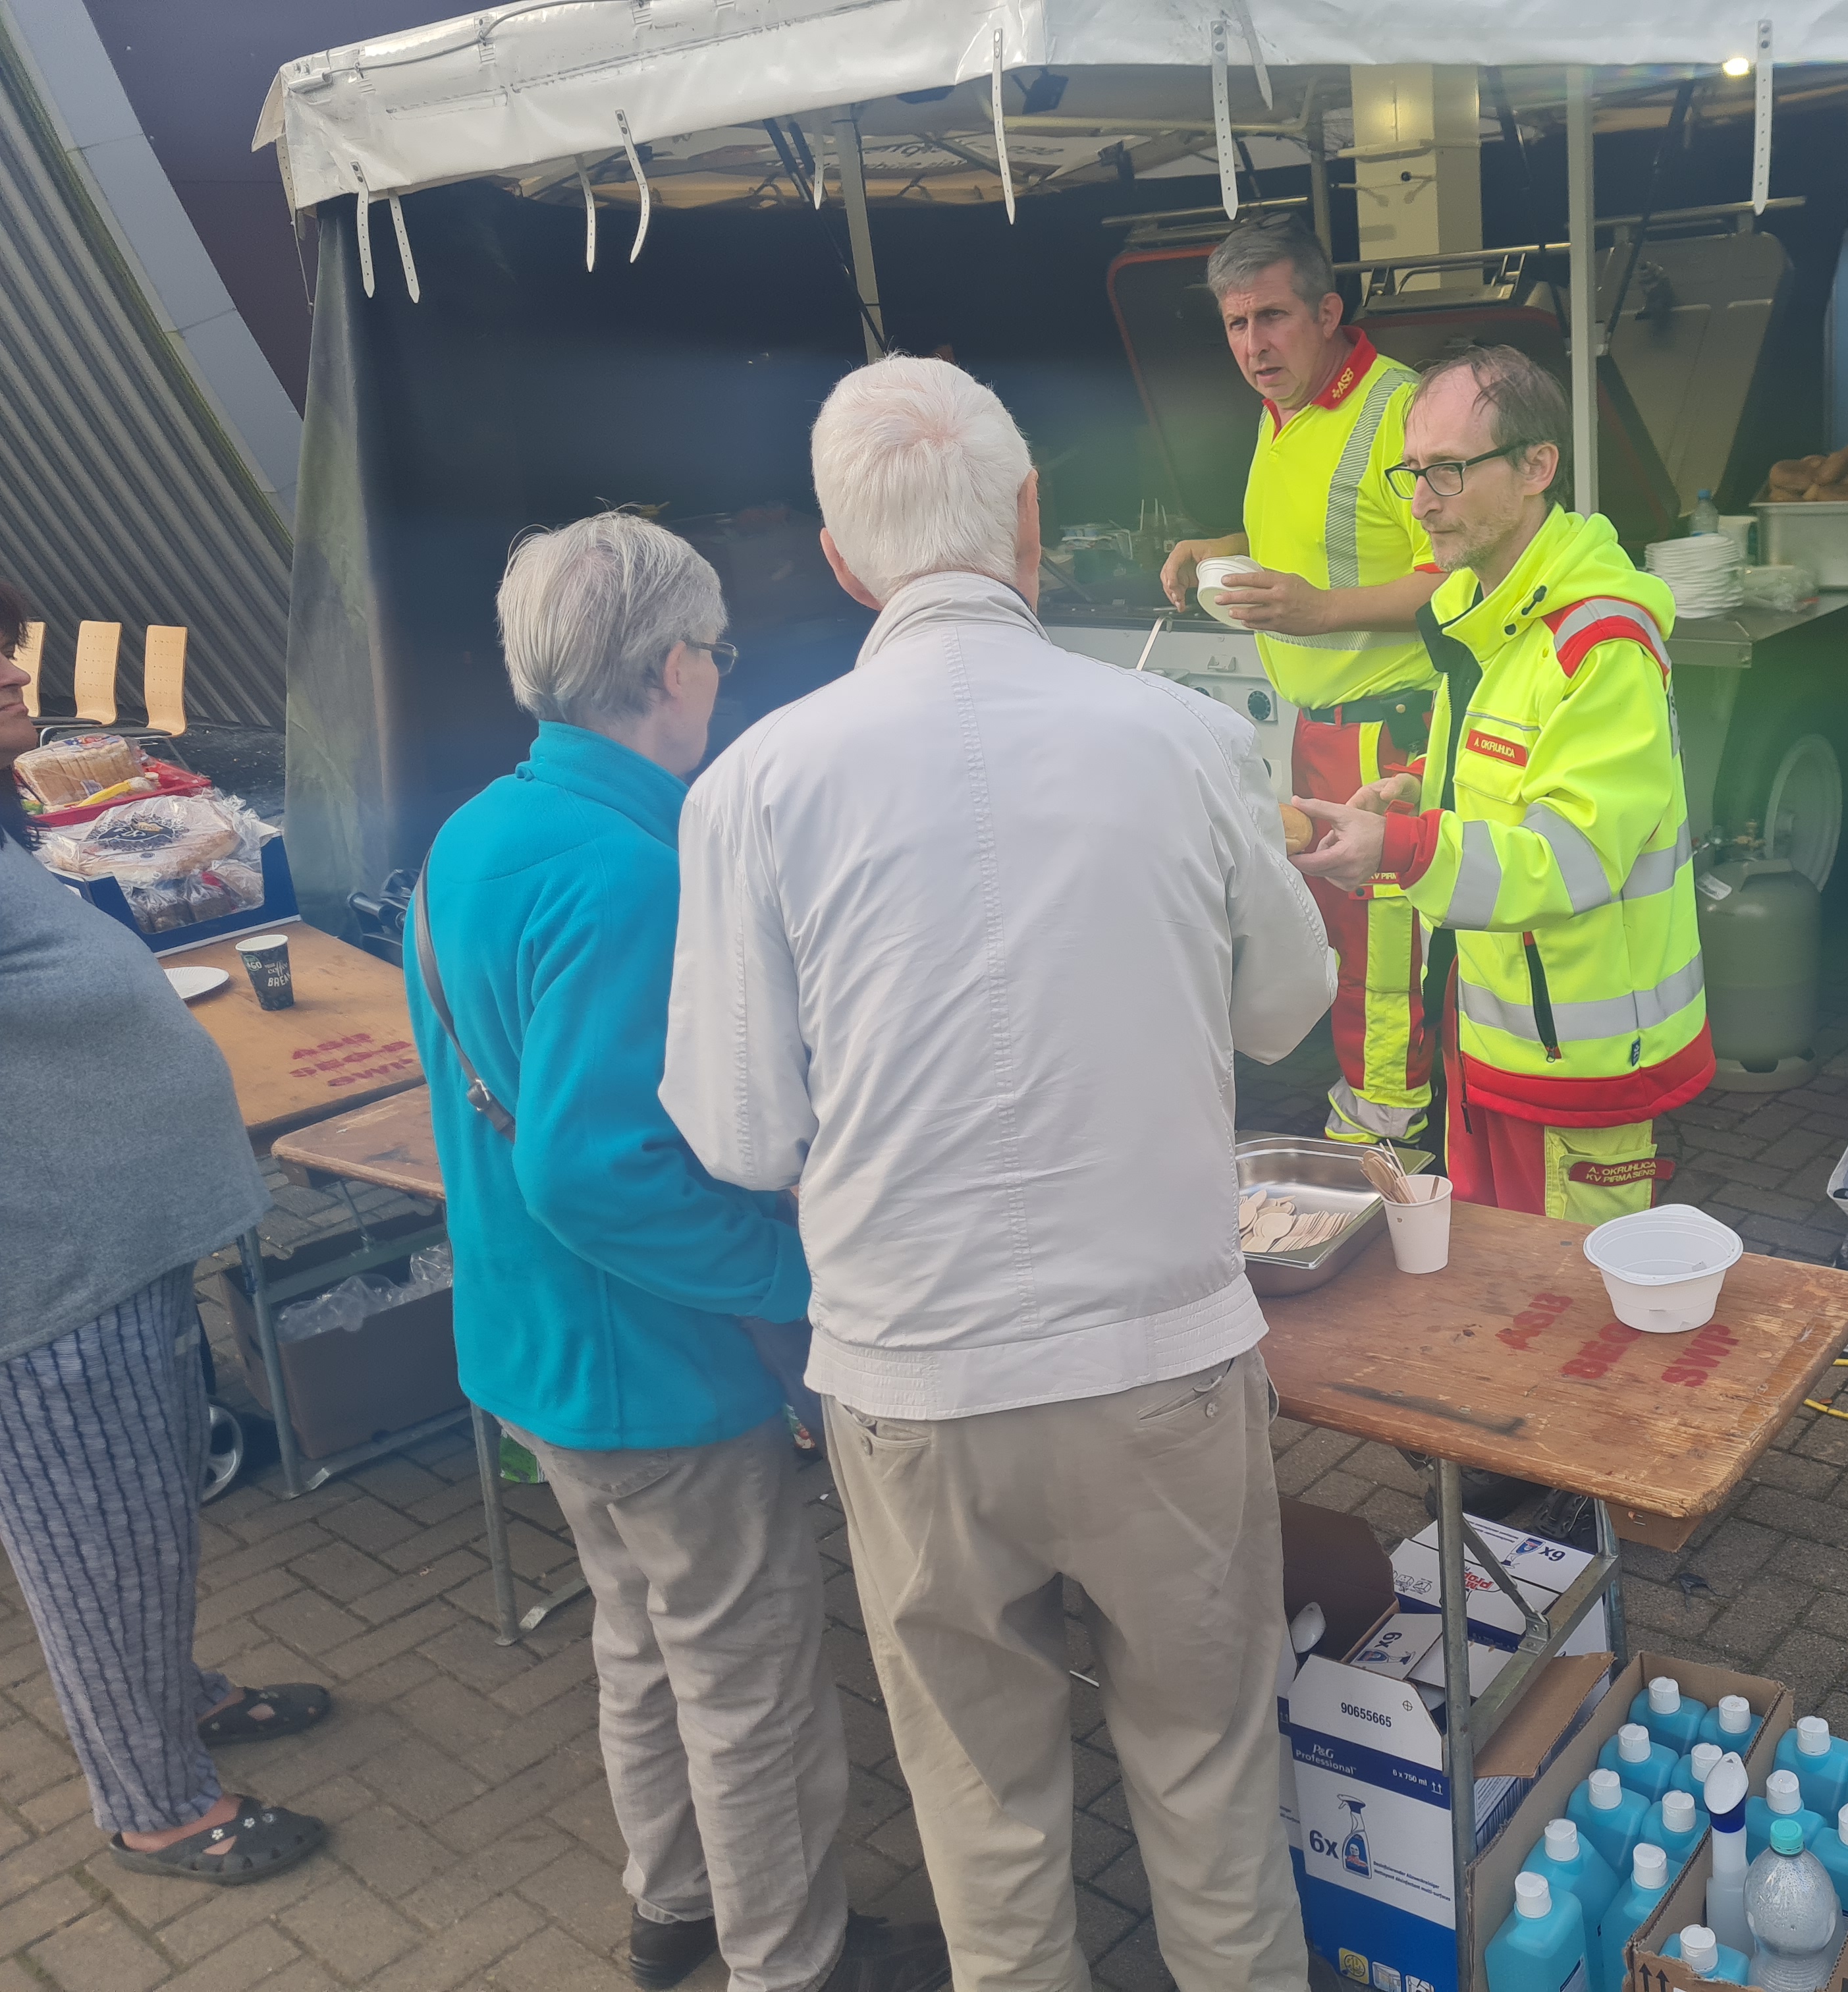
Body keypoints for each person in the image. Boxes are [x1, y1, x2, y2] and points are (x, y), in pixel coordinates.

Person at [665, 356, 1333, 1992]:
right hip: (1162, 1361)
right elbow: (1286, 1002)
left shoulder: (751, 784)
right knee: (1212, 1778)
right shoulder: (1179, 737)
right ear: (1033, 520)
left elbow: (741, 1135)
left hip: (910, 1380)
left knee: (987, 1817)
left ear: (840, 559)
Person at [406, 516, 944, 1992]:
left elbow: (480, 1089)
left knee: (639, 1642)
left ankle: (676, 1910)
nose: (721, 676)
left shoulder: (473, 831)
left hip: (530, 1350)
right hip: (654, 1367)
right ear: (670, 664)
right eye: (716, 651)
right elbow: (595, 1170)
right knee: (748, 1676)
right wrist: (801, 1288)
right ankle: (792, 1961)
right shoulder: (638, 873)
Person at [0, 586, 334, 1887]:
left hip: (110, 1244)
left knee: (141, 1516)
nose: (12, 669)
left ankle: (173, 1694)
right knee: (97, 1537)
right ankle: (154, 1805)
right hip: (48, 1281)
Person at [1291, 345, 1715, 1221]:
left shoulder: (1596, 643)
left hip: (1577, 1067)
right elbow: (1505, 779)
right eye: (1414, 473)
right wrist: (1415, 790)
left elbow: (1574, 856)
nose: (1419, 504)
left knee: (1578, 1330)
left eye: (1446, 472)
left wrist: (1403, 849)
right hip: (1494, 1044)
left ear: (1536, 467)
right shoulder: (1487, 614)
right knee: (1504, 1307)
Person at [1161, 215, 1443, 1147]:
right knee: (1335, 936)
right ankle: (1374, 1112)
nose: (1253, 345)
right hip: (1317, 724)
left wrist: (1319, 610)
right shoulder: (1282, 410)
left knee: (1384, 952)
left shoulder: (1402, 413)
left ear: (1328, 312)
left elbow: (1463, 577)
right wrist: (1220, 549)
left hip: (1394, 727)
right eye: (1237, 324)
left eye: (1273, 318)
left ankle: (1388, 1147)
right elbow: (1323, 540)